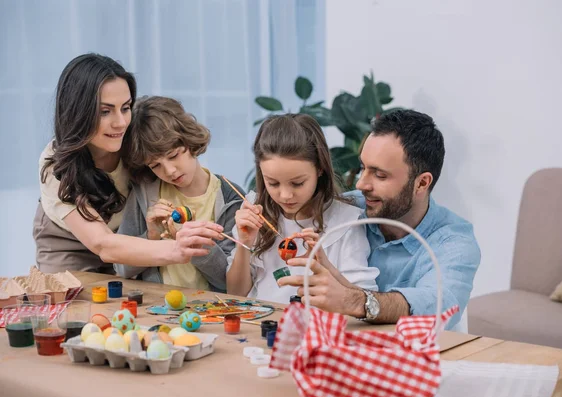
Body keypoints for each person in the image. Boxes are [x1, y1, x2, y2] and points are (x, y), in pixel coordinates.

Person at [279, 109, 481, 330]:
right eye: (363, 168)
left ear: (422, 183)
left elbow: (438, 306)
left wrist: (353, 301)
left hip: (418, 358)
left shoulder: (454, 242)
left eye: (380, 175)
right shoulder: (347, 210)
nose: (360, 184)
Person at [33, 54, 222, 274]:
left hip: (133, 243)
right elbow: (102, 244)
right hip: (70, 248)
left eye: (125, 107)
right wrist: (176, 250)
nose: (121, 123)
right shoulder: (55, 164)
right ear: (78, 113)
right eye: (105, 111)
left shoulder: (134, 137)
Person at [226, 114, 379, 303]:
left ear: (320, 169)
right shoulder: (254, 209)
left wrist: (326, 268)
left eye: (297, 183)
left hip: (315, 328)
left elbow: (365, 302)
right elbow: (235, 294)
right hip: (258, 326)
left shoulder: (346, 221)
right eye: (273, 183)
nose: (285, 195)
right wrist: (245, 243)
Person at [114, 96, 244, 292]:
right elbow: (122, 268)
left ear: (189, 141)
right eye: (155, 165)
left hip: (211, 312)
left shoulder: (231, 198)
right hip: (156, 310)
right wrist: (152, 237)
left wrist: (196, 246)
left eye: (174, 155)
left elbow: (229, 283)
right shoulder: (145, 193)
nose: (170, 171)